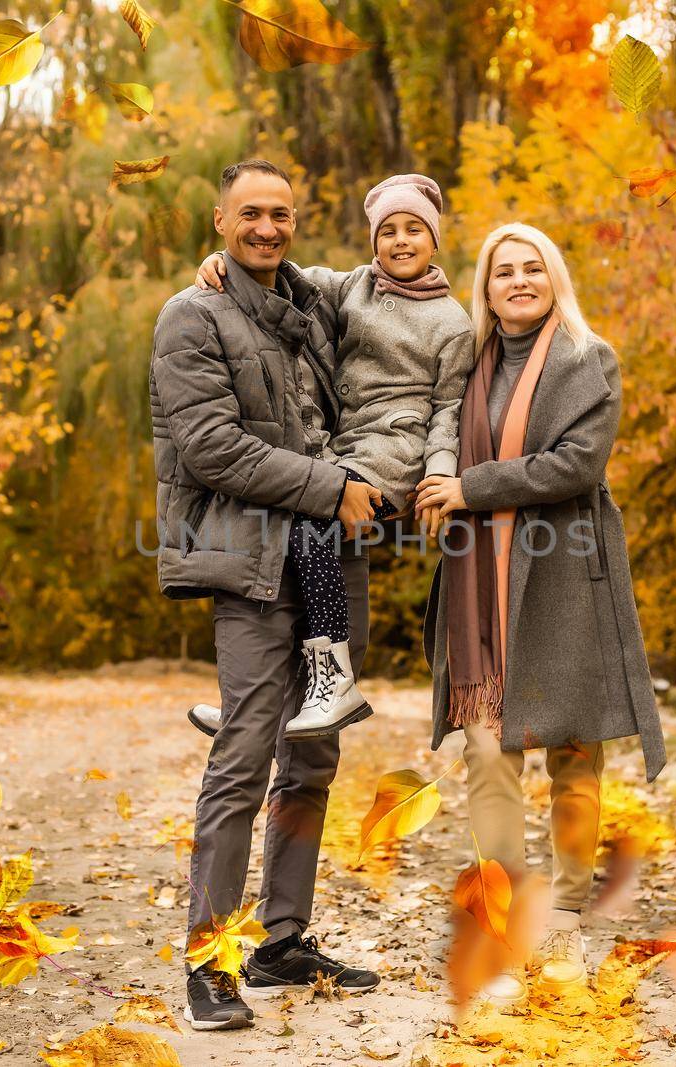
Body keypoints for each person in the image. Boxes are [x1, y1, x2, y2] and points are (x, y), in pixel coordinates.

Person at [149, 159, 381, 1031]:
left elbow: (389, 288)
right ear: (219, 220)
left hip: (330, 555)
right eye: (251, 213)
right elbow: (210, 447)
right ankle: (210, 961)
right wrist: (330, 487)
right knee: (244, 757)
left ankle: (281, 939)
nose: (267, 228)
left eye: (281, 213)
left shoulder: (312, 305)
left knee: (314, 753)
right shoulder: (190, 316)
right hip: (249, 561)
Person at [414, 222, 668, 1008]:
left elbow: (574, 465)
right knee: (485, 738)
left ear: (553, 278)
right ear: (485, 290)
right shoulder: (468, 363)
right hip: (478, 575)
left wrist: (472, 488)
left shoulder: (589, 359)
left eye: (532, 268)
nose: (518, 280)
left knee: (570, 742)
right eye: (503, 272)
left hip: (563, 568)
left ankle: (567, 892)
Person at [185, 173, 475, 741]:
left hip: (397, 450)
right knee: (291, 536)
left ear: (434, 240)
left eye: (414, 230)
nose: (400, 241)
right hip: (345, 446)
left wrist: (439, 474)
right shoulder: (354, 288)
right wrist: (220, 264)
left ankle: (333, 678)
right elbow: (284, 281)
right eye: (387, 231)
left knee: (310, 519)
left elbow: (449, 409)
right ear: (373, 242)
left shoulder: (452, 323)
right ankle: (255, 704)